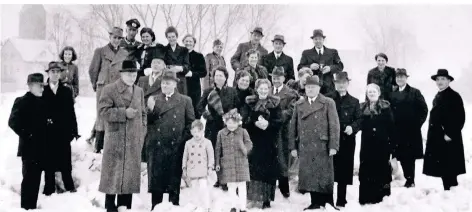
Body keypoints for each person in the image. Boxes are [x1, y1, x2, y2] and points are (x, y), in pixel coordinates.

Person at [97, 60, 147, 212]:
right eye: (129, 74)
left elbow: (143, 114)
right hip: (115, 141)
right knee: (113, 177)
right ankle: (110, 208)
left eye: (134, 74)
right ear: (122, 74)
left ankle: (126, 208)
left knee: (129, 179)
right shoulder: (109, 89)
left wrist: (141, 134)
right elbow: (103, 112)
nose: (132, 77)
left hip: (133, 141)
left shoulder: (139, 91)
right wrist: (123, 113)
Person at [289, 75, 340, 210]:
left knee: (325, 174)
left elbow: (334, 126)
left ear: (319, 88)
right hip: (305, 145)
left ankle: (328, 202)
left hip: (323, 145)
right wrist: (292, 147)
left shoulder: (328, 102)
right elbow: (293, 126)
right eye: (308, 87)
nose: (310, 90)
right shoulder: (299, 104)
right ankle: (315, 202)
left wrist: (333, 145)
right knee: (310, 175)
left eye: (313, 87)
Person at [146, 70, 195, 209]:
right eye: (162, 83)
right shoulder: (153, 99)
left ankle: (175, 207)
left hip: (176, 146)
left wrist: (182, 140)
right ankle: (155, 207)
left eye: (168, 83)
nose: (164, 86)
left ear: (175, 84)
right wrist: (151, 110)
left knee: (173, 181)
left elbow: (190, 123)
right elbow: (147, 122)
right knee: (157, 183)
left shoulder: (185, 100)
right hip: (157, 146)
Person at [197, 66, 240, 190]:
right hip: (213, 125)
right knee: (215, 150)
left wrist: (232, 116)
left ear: (226, 77)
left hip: (228, 125)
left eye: (221, 75)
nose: (218, 78)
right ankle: (217, 178)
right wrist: (207, 116)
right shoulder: (208, 91)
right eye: (216, 75)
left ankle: (226, 179)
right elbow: (199, 107)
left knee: (227, 151)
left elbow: (238, 106)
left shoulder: (232, 91)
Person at [8, 73, 48, 210]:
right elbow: (13, 122)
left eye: (43, 85)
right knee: (28, 180)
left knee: (36, 180)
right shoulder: (22, 101)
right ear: (30, 86)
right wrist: (28, 134)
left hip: (41, 148)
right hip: (28, 148)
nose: (42, 89)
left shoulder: (43, 101)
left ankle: (32, 206)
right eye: (39, 86)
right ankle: (25, 208)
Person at [241, 79, 282, 209]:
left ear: (269, 89)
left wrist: (268, 124)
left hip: (269, 141)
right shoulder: (250, 103)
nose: (263, 91)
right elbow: (244, 120)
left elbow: (279, 121)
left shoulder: (275, 103)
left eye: (266, 89)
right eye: (261, 89)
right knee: (254, 169)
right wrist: (254, 123)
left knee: (268, 170)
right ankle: (253, 197)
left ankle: (266, 199)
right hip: (254, 140)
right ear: (257, 89)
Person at [423, 69, 466, 191]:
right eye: (437, 79)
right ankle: (448, 192)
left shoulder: (454, 96)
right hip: (438, 137)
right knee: (444, 168)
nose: (439, 81)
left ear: (449, 81)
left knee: (450, 168)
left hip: (448, 138)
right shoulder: (439, 95)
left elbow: (460, 117)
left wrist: (450, 134)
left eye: (443, 79)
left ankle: (452, 194)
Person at [42, 61, 79, 196]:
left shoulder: (66, 90)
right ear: (48, 73)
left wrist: (74, 131)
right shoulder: (43, 90)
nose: (56, 74)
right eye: (53, 72)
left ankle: (70, 188)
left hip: (63, 132)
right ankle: (49, 190)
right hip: (47, 132)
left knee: (65, 161)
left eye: (58, 72)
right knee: (48, 162)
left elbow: (71, 112)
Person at [89, 27, 128, 154]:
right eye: (114, 38)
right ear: (110, 37)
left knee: (115, 113)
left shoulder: (124, 54)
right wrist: (97, 85)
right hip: (103, 87)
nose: (116, 40)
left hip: (117, 88)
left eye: (119, 38)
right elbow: (93, 70)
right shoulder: (100, 51)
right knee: (101, 115)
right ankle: (98, 145)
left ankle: (112, 145)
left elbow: (126, 72)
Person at [325, 72, 362, 207]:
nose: (341, 85)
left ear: (348, 83)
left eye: (344, 82)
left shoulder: (354, 101)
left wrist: (353, 127)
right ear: (334, 84)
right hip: (330, 139)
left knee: (344, 169)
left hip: (347, 140)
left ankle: (341, 199)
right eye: (338, 82)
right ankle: (328, 199)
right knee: (329, 168)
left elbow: (359, 119)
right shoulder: (327, 99)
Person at [358, 83, 397, 205]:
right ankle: (367, 197)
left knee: (382, 169)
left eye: (374, 92)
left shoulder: (386, 107)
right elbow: (358, 123)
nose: (372, 94)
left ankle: (382, 197)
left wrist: (392, 146)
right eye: (369, 92)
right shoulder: (362, 107)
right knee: (367, 168)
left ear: (379, 93)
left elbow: (391, 127)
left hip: (382, 144)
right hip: (367, 144)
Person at [390, 68, 428, 188]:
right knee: (400, 155)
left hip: (411, 130)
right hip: (397, 130)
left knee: (409, 156)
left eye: (402, 76)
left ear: (406, 78)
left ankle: (410, 180)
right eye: (398, 77)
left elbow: (424, 109)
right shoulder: (393, 93)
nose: (400, 79)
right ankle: (406, 177)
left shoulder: (414, 92)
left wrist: (417, 124)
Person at [215, 110, 253, 212]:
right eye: (229, 123)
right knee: (231, 186)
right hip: (228, 164)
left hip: (241, 163)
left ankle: (243, 207)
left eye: (234, 123)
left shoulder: (243, 132)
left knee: (242, 186)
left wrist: (245, 149)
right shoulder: (221, 133)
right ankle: (233, 206)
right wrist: (217, 163)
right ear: (225, 122)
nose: (231, 125)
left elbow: (249, 144)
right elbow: (218, 149)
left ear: (238, 122)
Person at [270, 67, 299, 198]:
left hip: (283, 130)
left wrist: (277, 117)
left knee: (282, 158)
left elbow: (291, 110)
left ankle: (284, 187)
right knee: (270, 157)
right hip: (269, 130)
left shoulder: (291, 93)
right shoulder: (266, 90)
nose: (276, 80)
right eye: (274, 78)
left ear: (283, 78)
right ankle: (270, 186)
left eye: (279, 78)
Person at [137, 56, 166, 163]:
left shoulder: (167, 80)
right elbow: (136, 96)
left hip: (157, 114)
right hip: (142, 114)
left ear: (164, 66)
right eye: (153, 62)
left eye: (158, 62)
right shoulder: (142, 79)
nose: (155, 65)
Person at [297, 29, 344, 95]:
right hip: (312, 88)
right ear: (313, 40)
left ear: (323, 40)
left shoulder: (333, 52)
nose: (318, 41)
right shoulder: (306, 53)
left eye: (320, 39)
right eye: (316, 39)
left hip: (329, 89)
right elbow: (299, 67)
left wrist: (330, 68)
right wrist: (310, 66)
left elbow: (340, 66)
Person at [182, 120, 214, 212]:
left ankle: (206, 205)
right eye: (194, 132)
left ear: (202, 132)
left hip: (203, 169)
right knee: (194, 188)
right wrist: (184, 167)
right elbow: (185, 156)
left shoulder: (207, 142)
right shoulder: (188, 143)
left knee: (203, 188)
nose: (197, 134)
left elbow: (211, 156)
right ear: (191, 132)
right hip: (192, 169)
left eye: (199, 132)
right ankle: (195, 204)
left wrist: (210, 167)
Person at [183, 34, 207, 116]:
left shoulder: (199, 56)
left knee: (194, 110)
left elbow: (204, 72)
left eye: (190, 41)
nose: (188, 43)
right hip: (181, 86)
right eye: (186, 41)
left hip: (194, 88)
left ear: (194, 43)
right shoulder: (180, 55)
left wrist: (192, 74)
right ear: (183, 42)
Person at [164, 26, 191, 95]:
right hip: (168, 80)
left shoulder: (184, 50)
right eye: (169, 37)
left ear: (177, 36)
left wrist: (180, 68)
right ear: (166, 38)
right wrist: (169, 68)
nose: (171, 39)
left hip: (181, 81)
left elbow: (187, 66)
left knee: (182, 102)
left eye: (173, 36)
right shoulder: (163, 50)